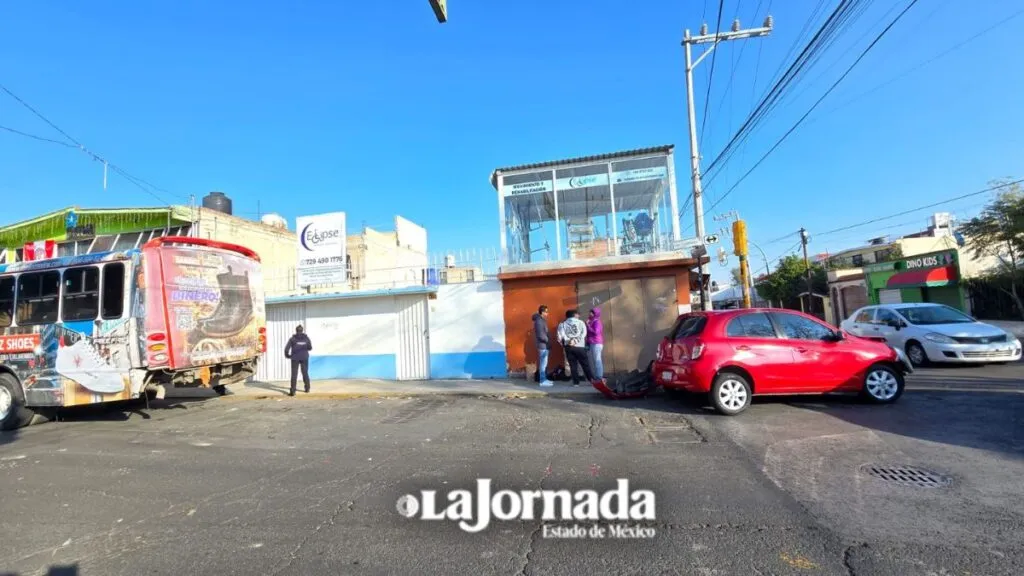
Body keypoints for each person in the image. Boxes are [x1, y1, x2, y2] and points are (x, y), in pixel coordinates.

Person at [557, 309, 594, 387]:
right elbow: (584, 334)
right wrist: (576, 340)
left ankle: (576, 383)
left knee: (573, 365)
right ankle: (591, 380)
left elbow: (560, 336)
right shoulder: (581, 322)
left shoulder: (562, 324)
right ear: (574, 315)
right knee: (585, 364)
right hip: (580, 346)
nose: (579, 315)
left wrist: (567, 342)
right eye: (578, 314)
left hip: (568, 347)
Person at [284, 324, 313, 396]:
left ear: (296, 331)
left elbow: (286, 349)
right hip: (304, 357)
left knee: (294, 374)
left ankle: (293, 391)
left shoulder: (292, 339)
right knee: (305, 372)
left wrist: (288, 356)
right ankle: (307, 388)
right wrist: (304, 347)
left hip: (295, 358)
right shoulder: (306, 338)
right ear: (302, 330)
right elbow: (310, 348)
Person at [532, 305, 553, 387]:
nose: (548, 313)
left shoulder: (542, 320)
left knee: (544, 363)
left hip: (544, 345)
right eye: (546, 311)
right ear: (542, 312)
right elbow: (541, 335)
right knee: (543, 363)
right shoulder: (539, 321)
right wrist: (548, 341)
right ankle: (542, 381)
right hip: (543, 345)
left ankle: (544, 379)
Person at [586, 308, 604, 380]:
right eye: (590, 312)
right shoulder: (592, 321)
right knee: (595, 360)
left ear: (595, 314)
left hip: (596, 343)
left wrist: (587, 325)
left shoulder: (596, 322)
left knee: (597, 360)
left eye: (591, 313)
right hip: (593, 343)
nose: (590, 314)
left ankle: (599, 377)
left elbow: (596, 332)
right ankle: (597, 376)